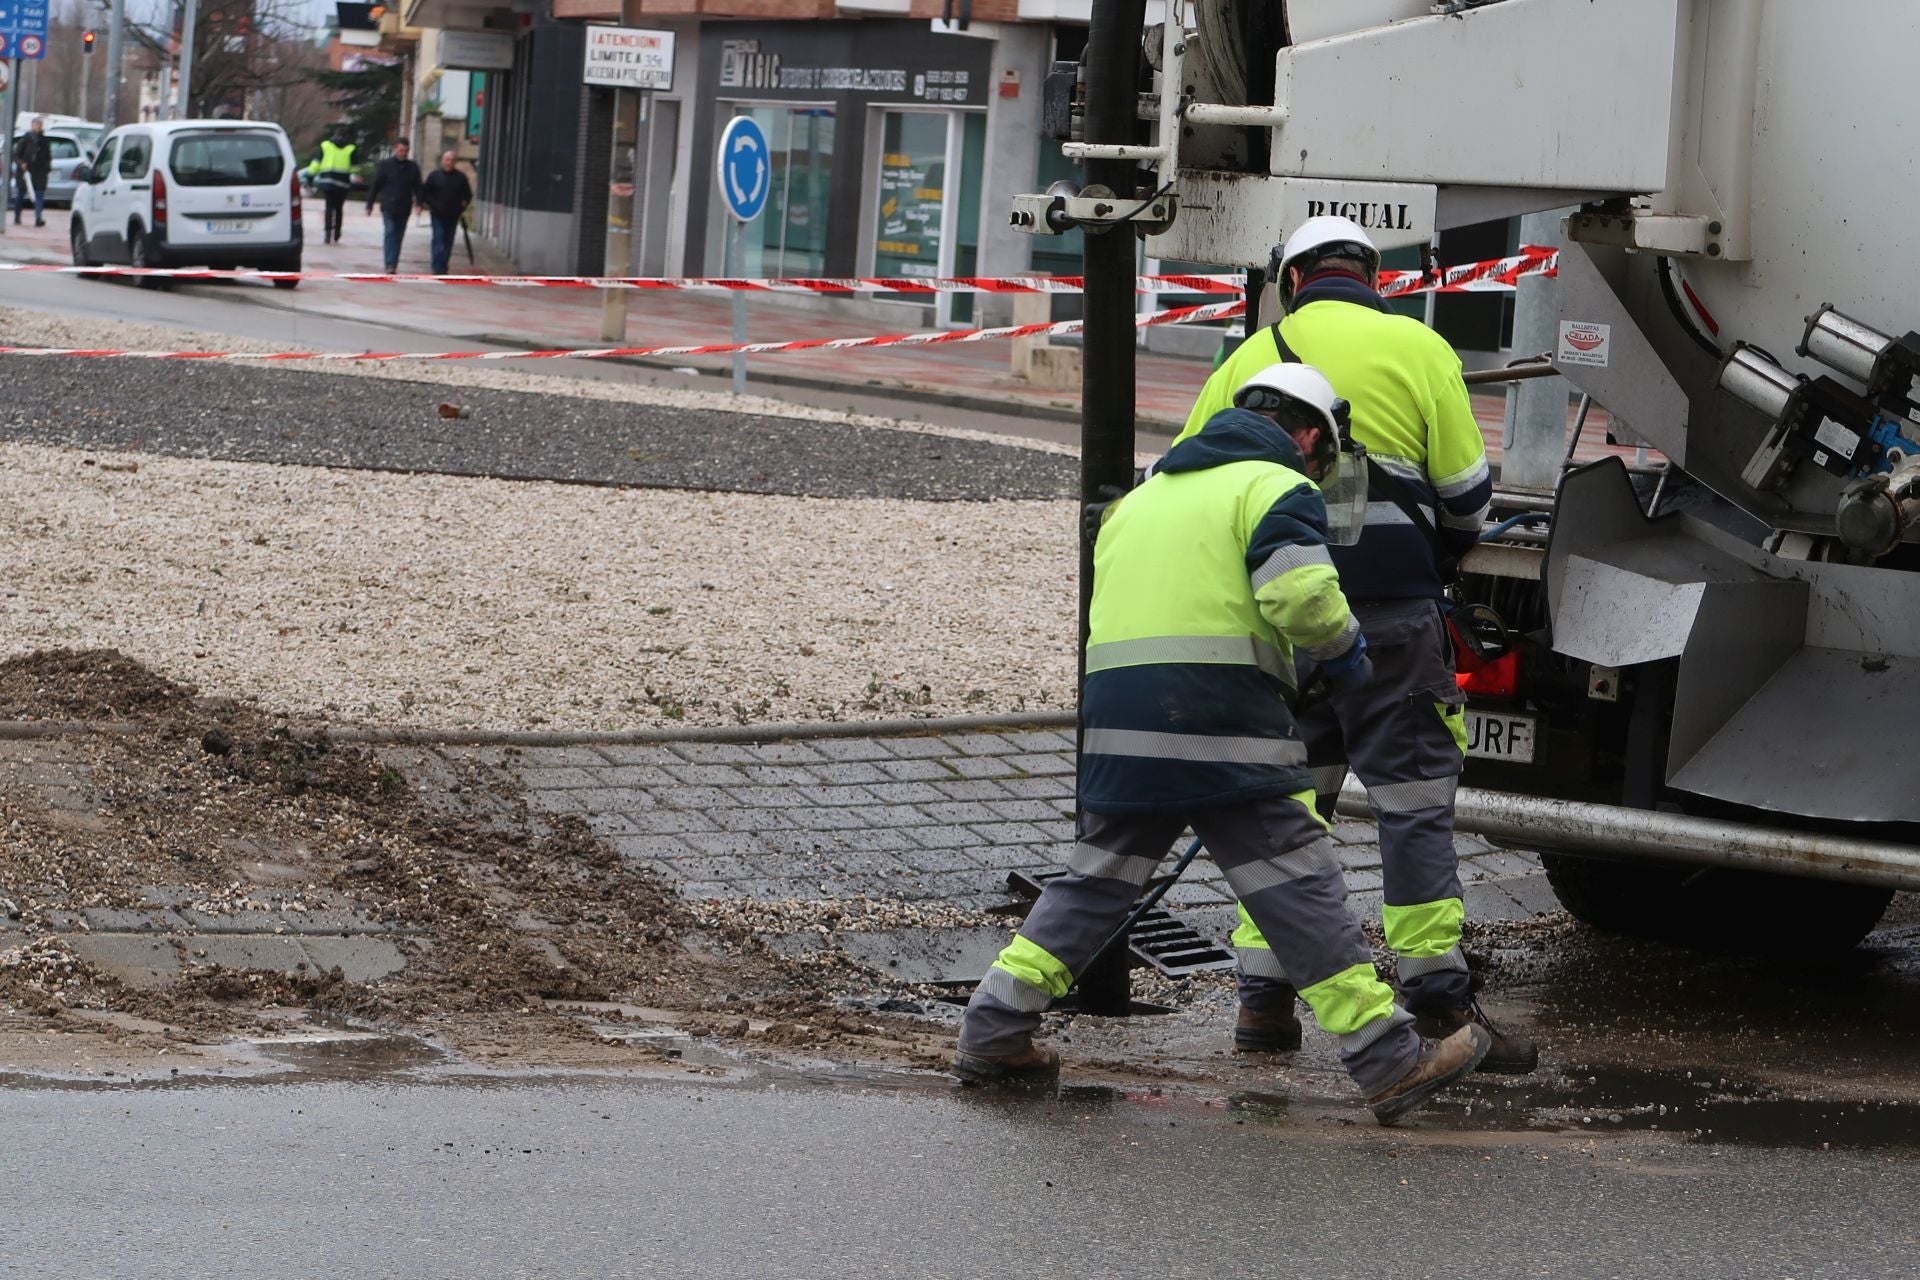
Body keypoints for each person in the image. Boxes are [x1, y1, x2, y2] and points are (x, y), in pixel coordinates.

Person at [953, 362, 1491, 1123]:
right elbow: (1300, 594)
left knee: (1097, 879)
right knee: (1299, 886)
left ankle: (994, 1027)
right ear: (1307, 435)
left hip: (1117, 722)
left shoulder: (1138, 502)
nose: (1316, 468)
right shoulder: (1275, 488)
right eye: (1321, 454)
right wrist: (1344, 654)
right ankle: (1388, 1057)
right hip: (1218, 721)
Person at [1183, 216, 1538, 1075]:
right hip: (1392, 620)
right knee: (1412, 806)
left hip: (1277, 622)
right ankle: (1442, 1008)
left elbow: (1195, 474)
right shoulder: (1419, 349)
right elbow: (1466, 498)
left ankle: (1263, 1005)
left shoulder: (1249, 356)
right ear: (1376, 279)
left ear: (1292, 280)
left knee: (1283, 811)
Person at [366, 139, 422, 273]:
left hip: (404, 206)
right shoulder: (385, 165)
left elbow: (418, 187)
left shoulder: (413, 167)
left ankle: (393, 263)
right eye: (400, 150)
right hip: (388, 205)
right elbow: (376, 185)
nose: (403, 153)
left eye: (405, 151)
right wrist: (369, 204)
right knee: (390, 232)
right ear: (395, 149)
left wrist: (419, 203)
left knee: (398, 236)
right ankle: (389, 263)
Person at [419, 150, 472, 277]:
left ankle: (443, 265)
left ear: (455, 162)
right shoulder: (434, 176)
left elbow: (467, 195)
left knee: (448, 241)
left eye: (452, 160)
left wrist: (462, 206)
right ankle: (437, 266)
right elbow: (425, 192)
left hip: (453, 214)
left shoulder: (461, 177)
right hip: (437, 214)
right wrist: (430, 204)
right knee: (438, 238)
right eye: (447, 160)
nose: (449, 163)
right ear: (442, 161)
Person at [309, 127, 356, 245]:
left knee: (329, 207)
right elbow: (355, 168)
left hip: (328, 182)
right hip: (343, 183)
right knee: (339, 209)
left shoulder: (325, 146)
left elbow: (316, 163)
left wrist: (310, 176)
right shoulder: (351, 149)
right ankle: (337, 233)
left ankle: (327, 233)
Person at [13, 117, 50, 228]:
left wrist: (47, 168)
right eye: (36, 124)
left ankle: (38, 218)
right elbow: (16, 155)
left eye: (39, 125)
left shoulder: (44, 141)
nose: (38, 127)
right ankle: (17, 216)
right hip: (25, 172)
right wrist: (21, 164)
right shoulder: (25, 139)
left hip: (39, 172)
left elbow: (47, 157)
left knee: (39, 195)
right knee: (20, 194)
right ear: (32, 125)